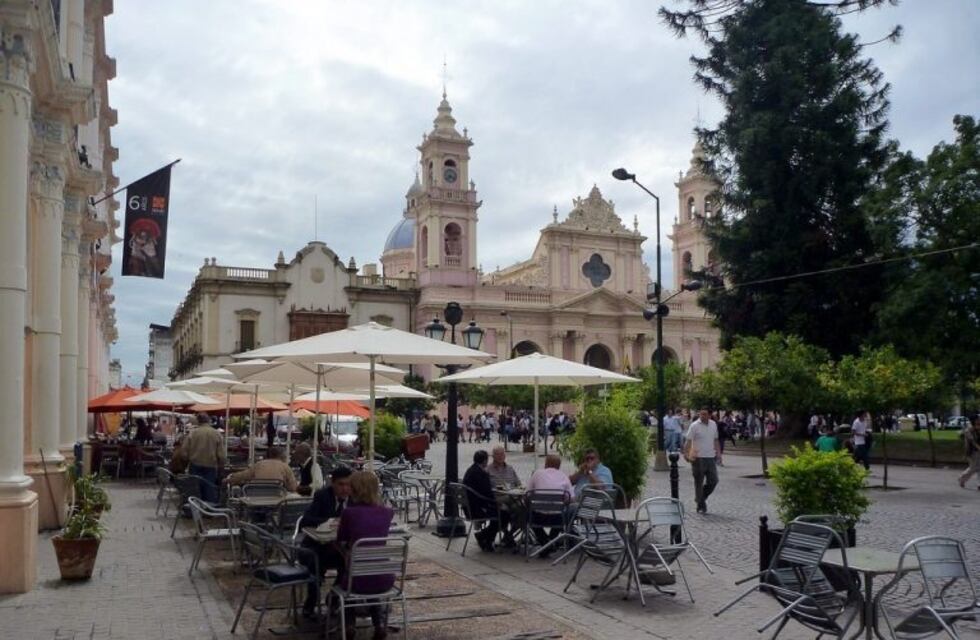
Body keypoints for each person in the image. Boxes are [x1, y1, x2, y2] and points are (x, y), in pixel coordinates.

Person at [334, 471, 396, 639]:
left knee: (352, 578)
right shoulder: (387, 512)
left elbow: (341, 540)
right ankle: (379, 624)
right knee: (368, 573)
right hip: (385, 577)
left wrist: (346, 553)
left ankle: (349, 624)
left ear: (354, 490)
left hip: (357, 579)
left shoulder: (349, 513)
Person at [299, 467, 353, 618]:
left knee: (349, 563)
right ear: (332, 483)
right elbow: (306, 521)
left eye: (348, 485)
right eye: (341, 485)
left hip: (340, 547)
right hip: (316, 546)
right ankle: (311, 602)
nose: (345, 489)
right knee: (315, 563)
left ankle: (334, 598)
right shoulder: (322, 496)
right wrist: (331, 521)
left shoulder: (354, 498)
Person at [527, 454, 574, 555]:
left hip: (538, 517)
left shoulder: (537, 474)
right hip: (557, 519)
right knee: (563, 514)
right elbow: (571, 498)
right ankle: (550, 543)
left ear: (546, 463)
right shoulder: (563, 476)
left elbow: (528, 494)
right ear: (559, 465)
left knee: (527, 515)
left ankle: (545, 543)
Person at [461, 450, 500, 551]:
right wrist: (497, 501)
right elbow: (486, 492)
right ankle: (484, 537)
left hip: (469, 507)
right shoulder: (480, 473)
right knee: (502, 514)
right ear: (484, 461)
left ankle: (485, 538)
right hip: (477, 509)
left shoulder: (471, 470)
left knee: (501, 512)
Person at [685, 409, 721, 514]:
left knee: (714, 480)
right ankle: (701, 505)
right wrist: (686, 454)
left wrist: (718, 453)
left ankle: (700, 498)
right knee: (699, 482)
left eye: (705, 414)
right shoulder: (694, 425)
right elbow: (688, 440)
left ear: (710, 415)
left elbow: (716, 440)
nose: (702, 416)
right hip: (698, 457)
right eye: (700, 414)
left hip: (710, 457)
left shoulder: (713, 424)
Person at [183, 413, 226, 502]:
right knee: (209, 490)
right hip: (211, 466)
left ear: (198, 421)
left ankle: (195, 510)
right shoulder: (216, 434)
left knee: (194, 491)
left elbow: (184, 452)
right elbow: (221, 455)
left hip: (195, 465)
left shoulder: (193, 433)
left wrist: (187, 461)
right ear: (209, 421)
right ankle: (208, 511)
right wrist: (221, 468)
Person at [224, 446, 298, 492]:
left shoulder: (259, 464)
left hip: (257, 496)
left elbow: (243, 475)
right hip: (277, 497)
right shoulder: (285, 467)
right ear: (281, 456)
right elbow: (293, 487)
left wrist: (229, 479)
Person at [957, 415, 980, 490]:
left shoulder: (977, 428)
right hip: (972, 451)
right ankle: (962, 478)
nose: (978, 420)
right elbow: (972, 441)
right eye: (977, 419)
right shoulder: (968, 430)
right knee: (973, 468)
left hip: (977, 451)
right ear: (973, 421)